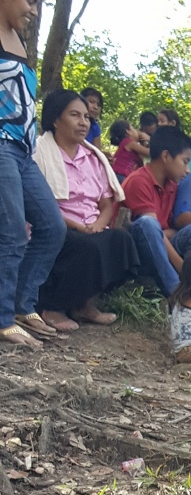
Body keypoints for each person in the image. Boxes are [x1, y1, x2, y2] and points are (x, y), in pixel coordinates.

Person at [0, 0, 66, 348]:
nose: (34, 10)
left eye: (39, 4)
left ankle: (23, 305)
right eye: (30, 0)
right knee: (9, 233)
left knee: (51, 227)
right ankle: (3, 318)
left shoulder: (19, 41)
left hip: (22, 151)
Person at [33, 90, 137, 331]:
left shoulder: (92, 157)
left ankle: (83, 305)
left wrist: (99, 224)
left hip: (91, 226)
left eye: (86, 117)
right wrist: (80, 227)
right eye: (74, 115)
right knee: (86, 245)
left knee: (121, 240)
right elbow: (39, 204)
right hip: (55, 225)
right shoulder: (40, 153)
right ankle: (53, 307)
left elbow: (106, 204)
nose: (83, 122)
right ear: (56, 120)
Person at [122, 125, 191, 296]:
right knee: (149, 224)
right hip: (137, 255)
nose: (188, 170)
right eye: (185, 161)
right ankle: (178, 294)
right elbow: (149, 231)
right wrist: (182, 267)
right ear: (166, 156)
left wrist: (161, 234)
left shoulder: (171, 186)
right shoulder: (139, 181)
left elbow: (168, 230)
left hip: (160, 246)